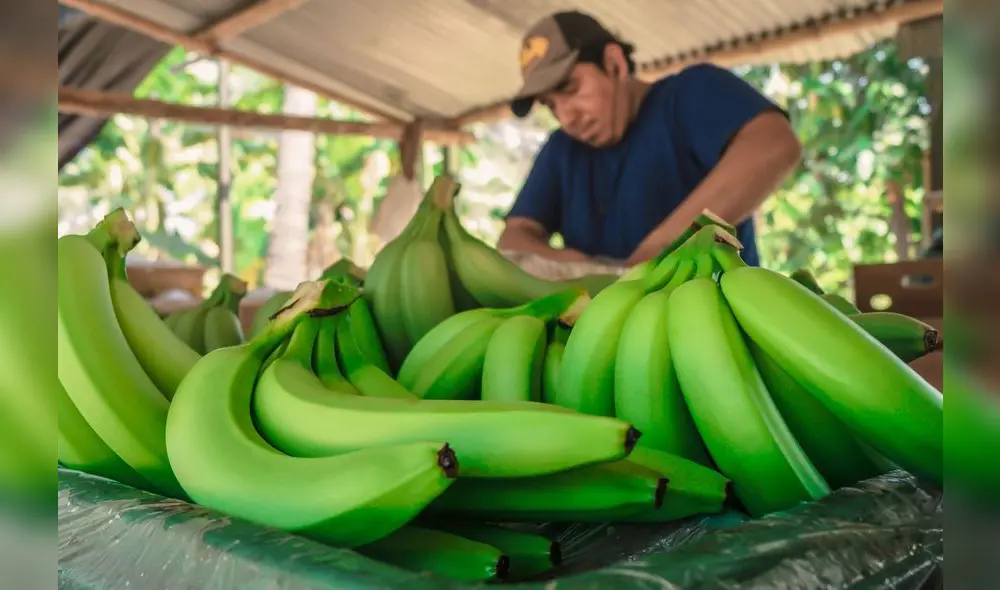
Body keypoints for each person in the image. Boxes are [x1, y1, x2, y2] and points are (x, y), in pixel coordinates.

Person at [497, 10, 804, 267]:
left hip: (721, 319)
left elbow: (774, 143)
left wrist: (656, 252)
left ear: (613, 63)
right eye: (550, 105)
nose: (566, 117)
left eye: (569, 88)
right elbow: (515, 237)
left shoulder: (687, 95)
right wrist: (586, 269)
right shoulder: (562, 150)